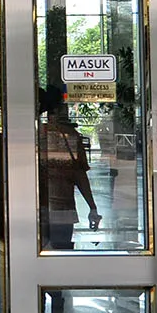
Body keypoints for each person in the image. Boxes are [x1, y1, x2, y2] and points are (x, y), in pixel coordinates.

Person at [38, 98, 103, 250]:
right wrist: (92, 207)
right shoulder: (71, 135)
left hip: (37, 207)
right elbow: (80, 175)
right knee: (61, 253)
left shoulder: (36, 134)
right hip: (63, 209)